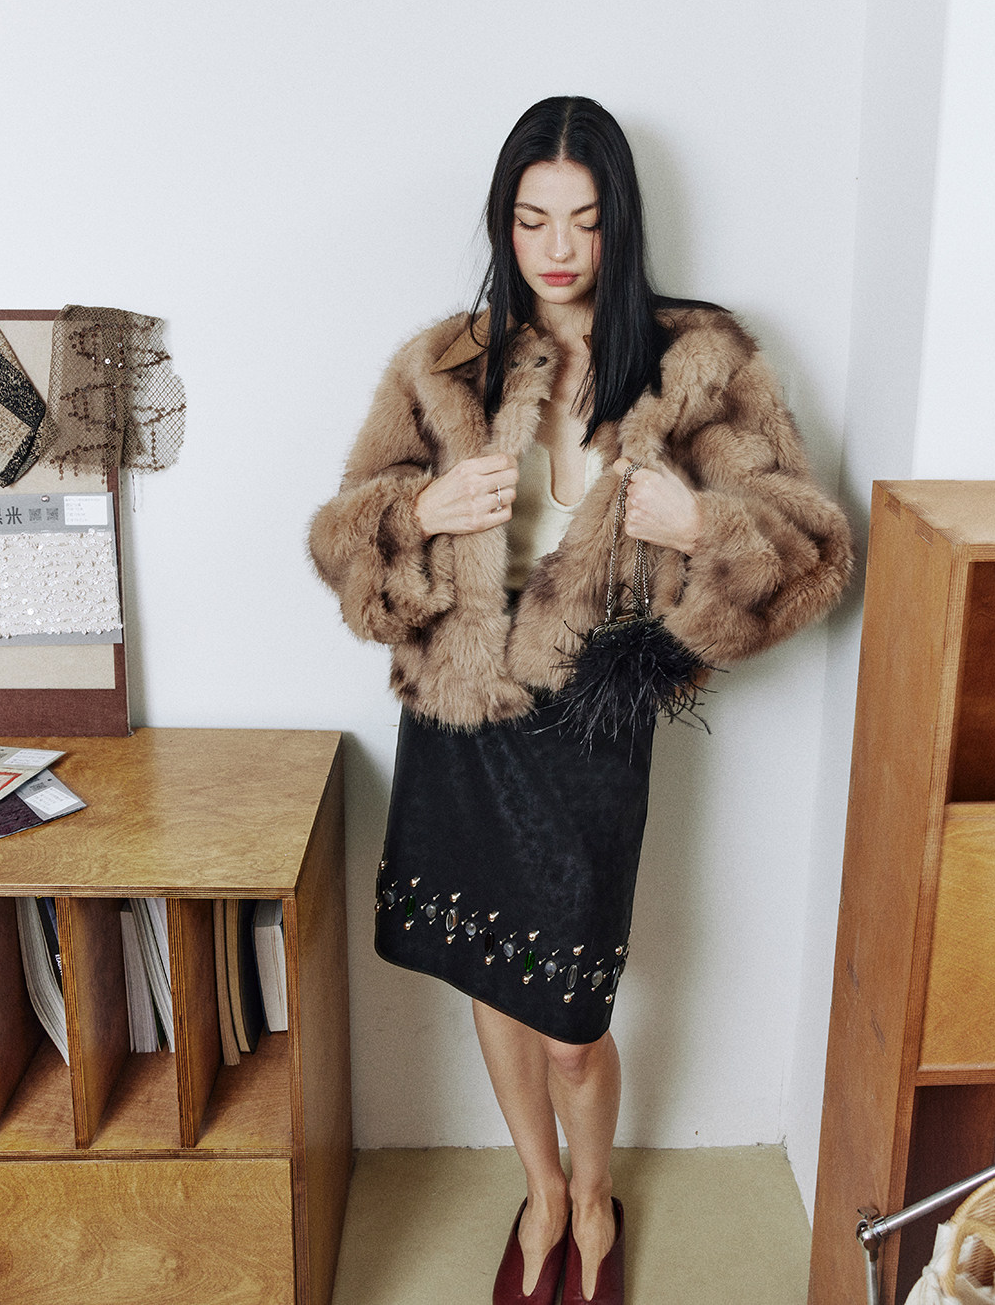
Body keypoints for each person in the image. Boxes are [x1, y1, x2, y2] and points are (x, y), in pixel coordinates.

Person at [309, 97, 852, 1305]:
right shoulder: (445, 362)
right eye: (532, 217)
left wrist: (701, 522)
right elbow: (345, 546)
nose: (557, 247)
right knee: (492, 977)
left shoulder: (700, 361)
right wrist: (418, 513)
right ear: (503, 223)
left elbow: (814, 548)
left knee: (569, 1023)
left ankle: (595, 1192)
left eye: (585, 219)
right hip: (460, 723)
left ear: (621, 223)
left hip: (593, 734)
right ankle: (542, 1193)